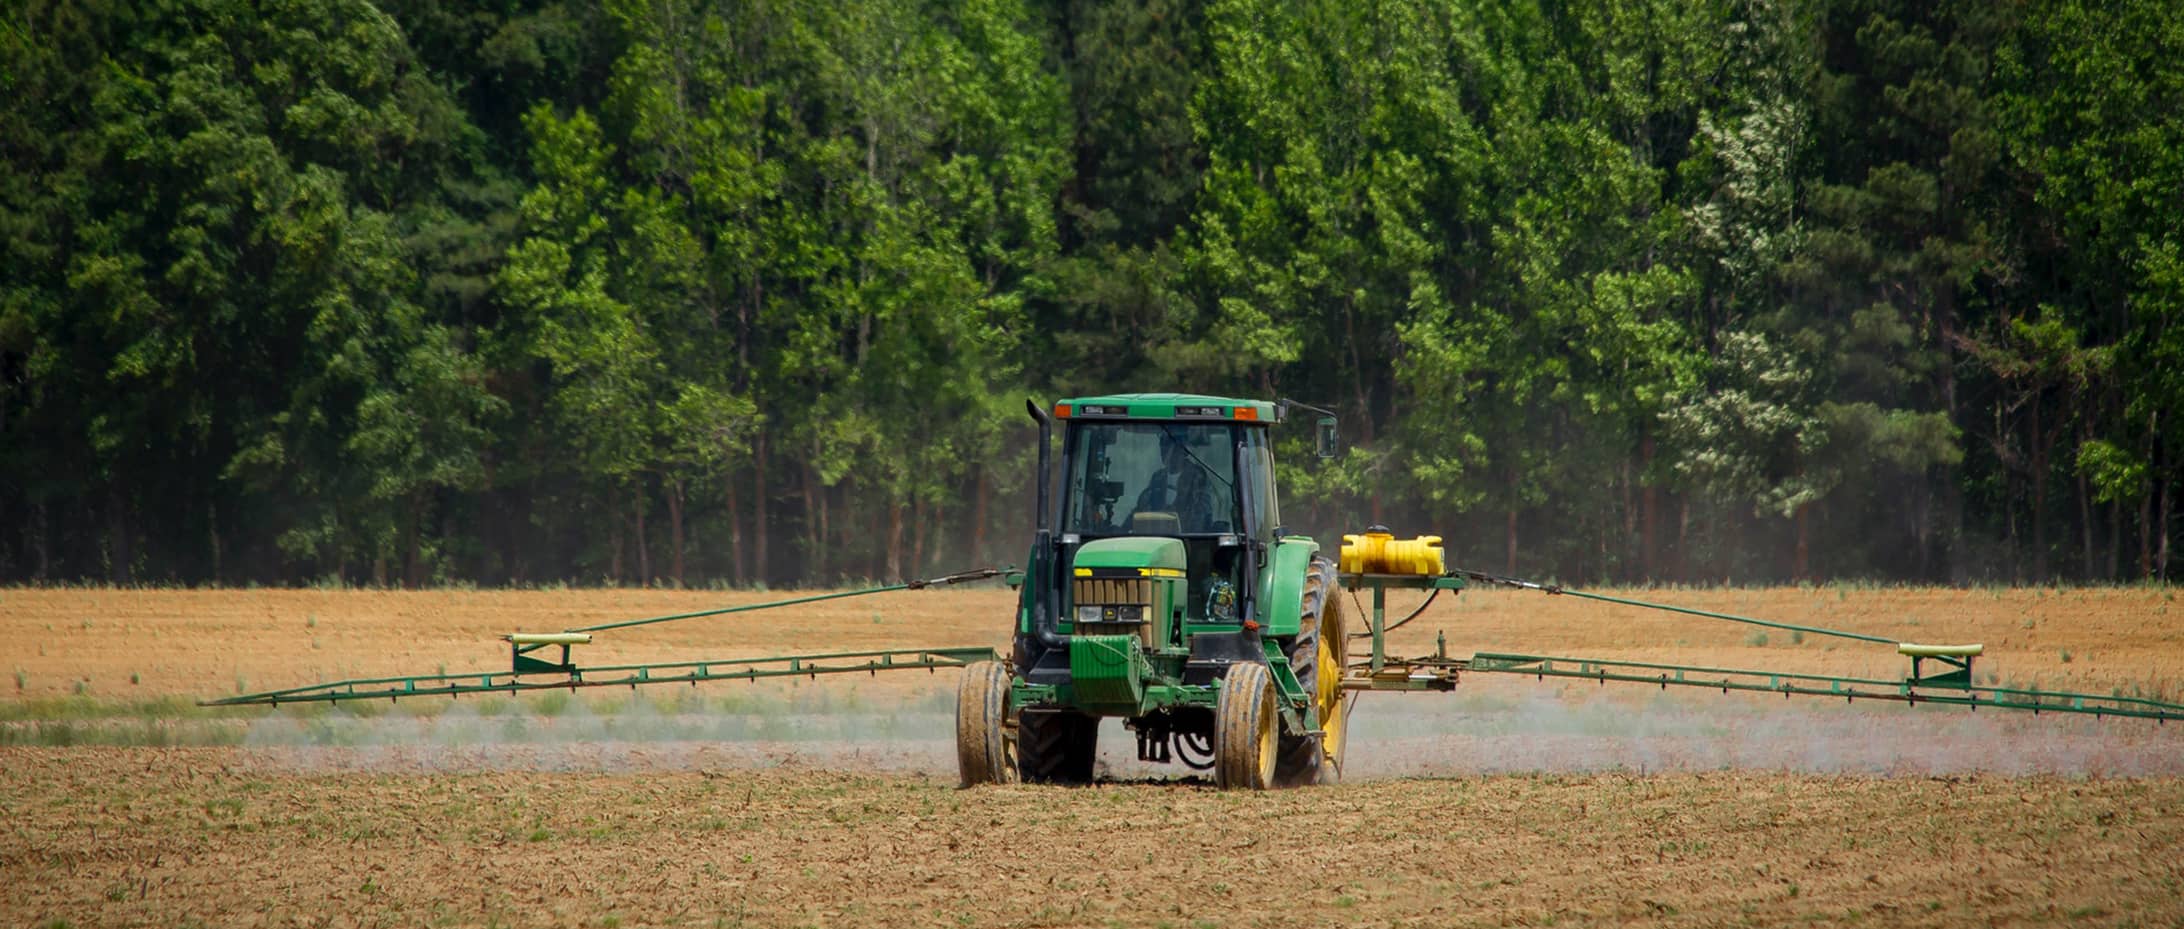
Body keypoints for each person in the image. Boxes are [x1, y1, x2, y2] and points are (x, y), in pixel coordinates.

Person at [1132, 431, 1219, 532]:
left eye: (1170, 447)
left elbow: (1201, 514)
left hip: (1189, 539)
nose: (1165, 452)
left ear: (1183, 450)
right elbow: (1144, 506)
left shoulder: (1197, 476)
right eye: (1162, 447)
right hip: (1158, 536)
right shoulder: (1158, 477)